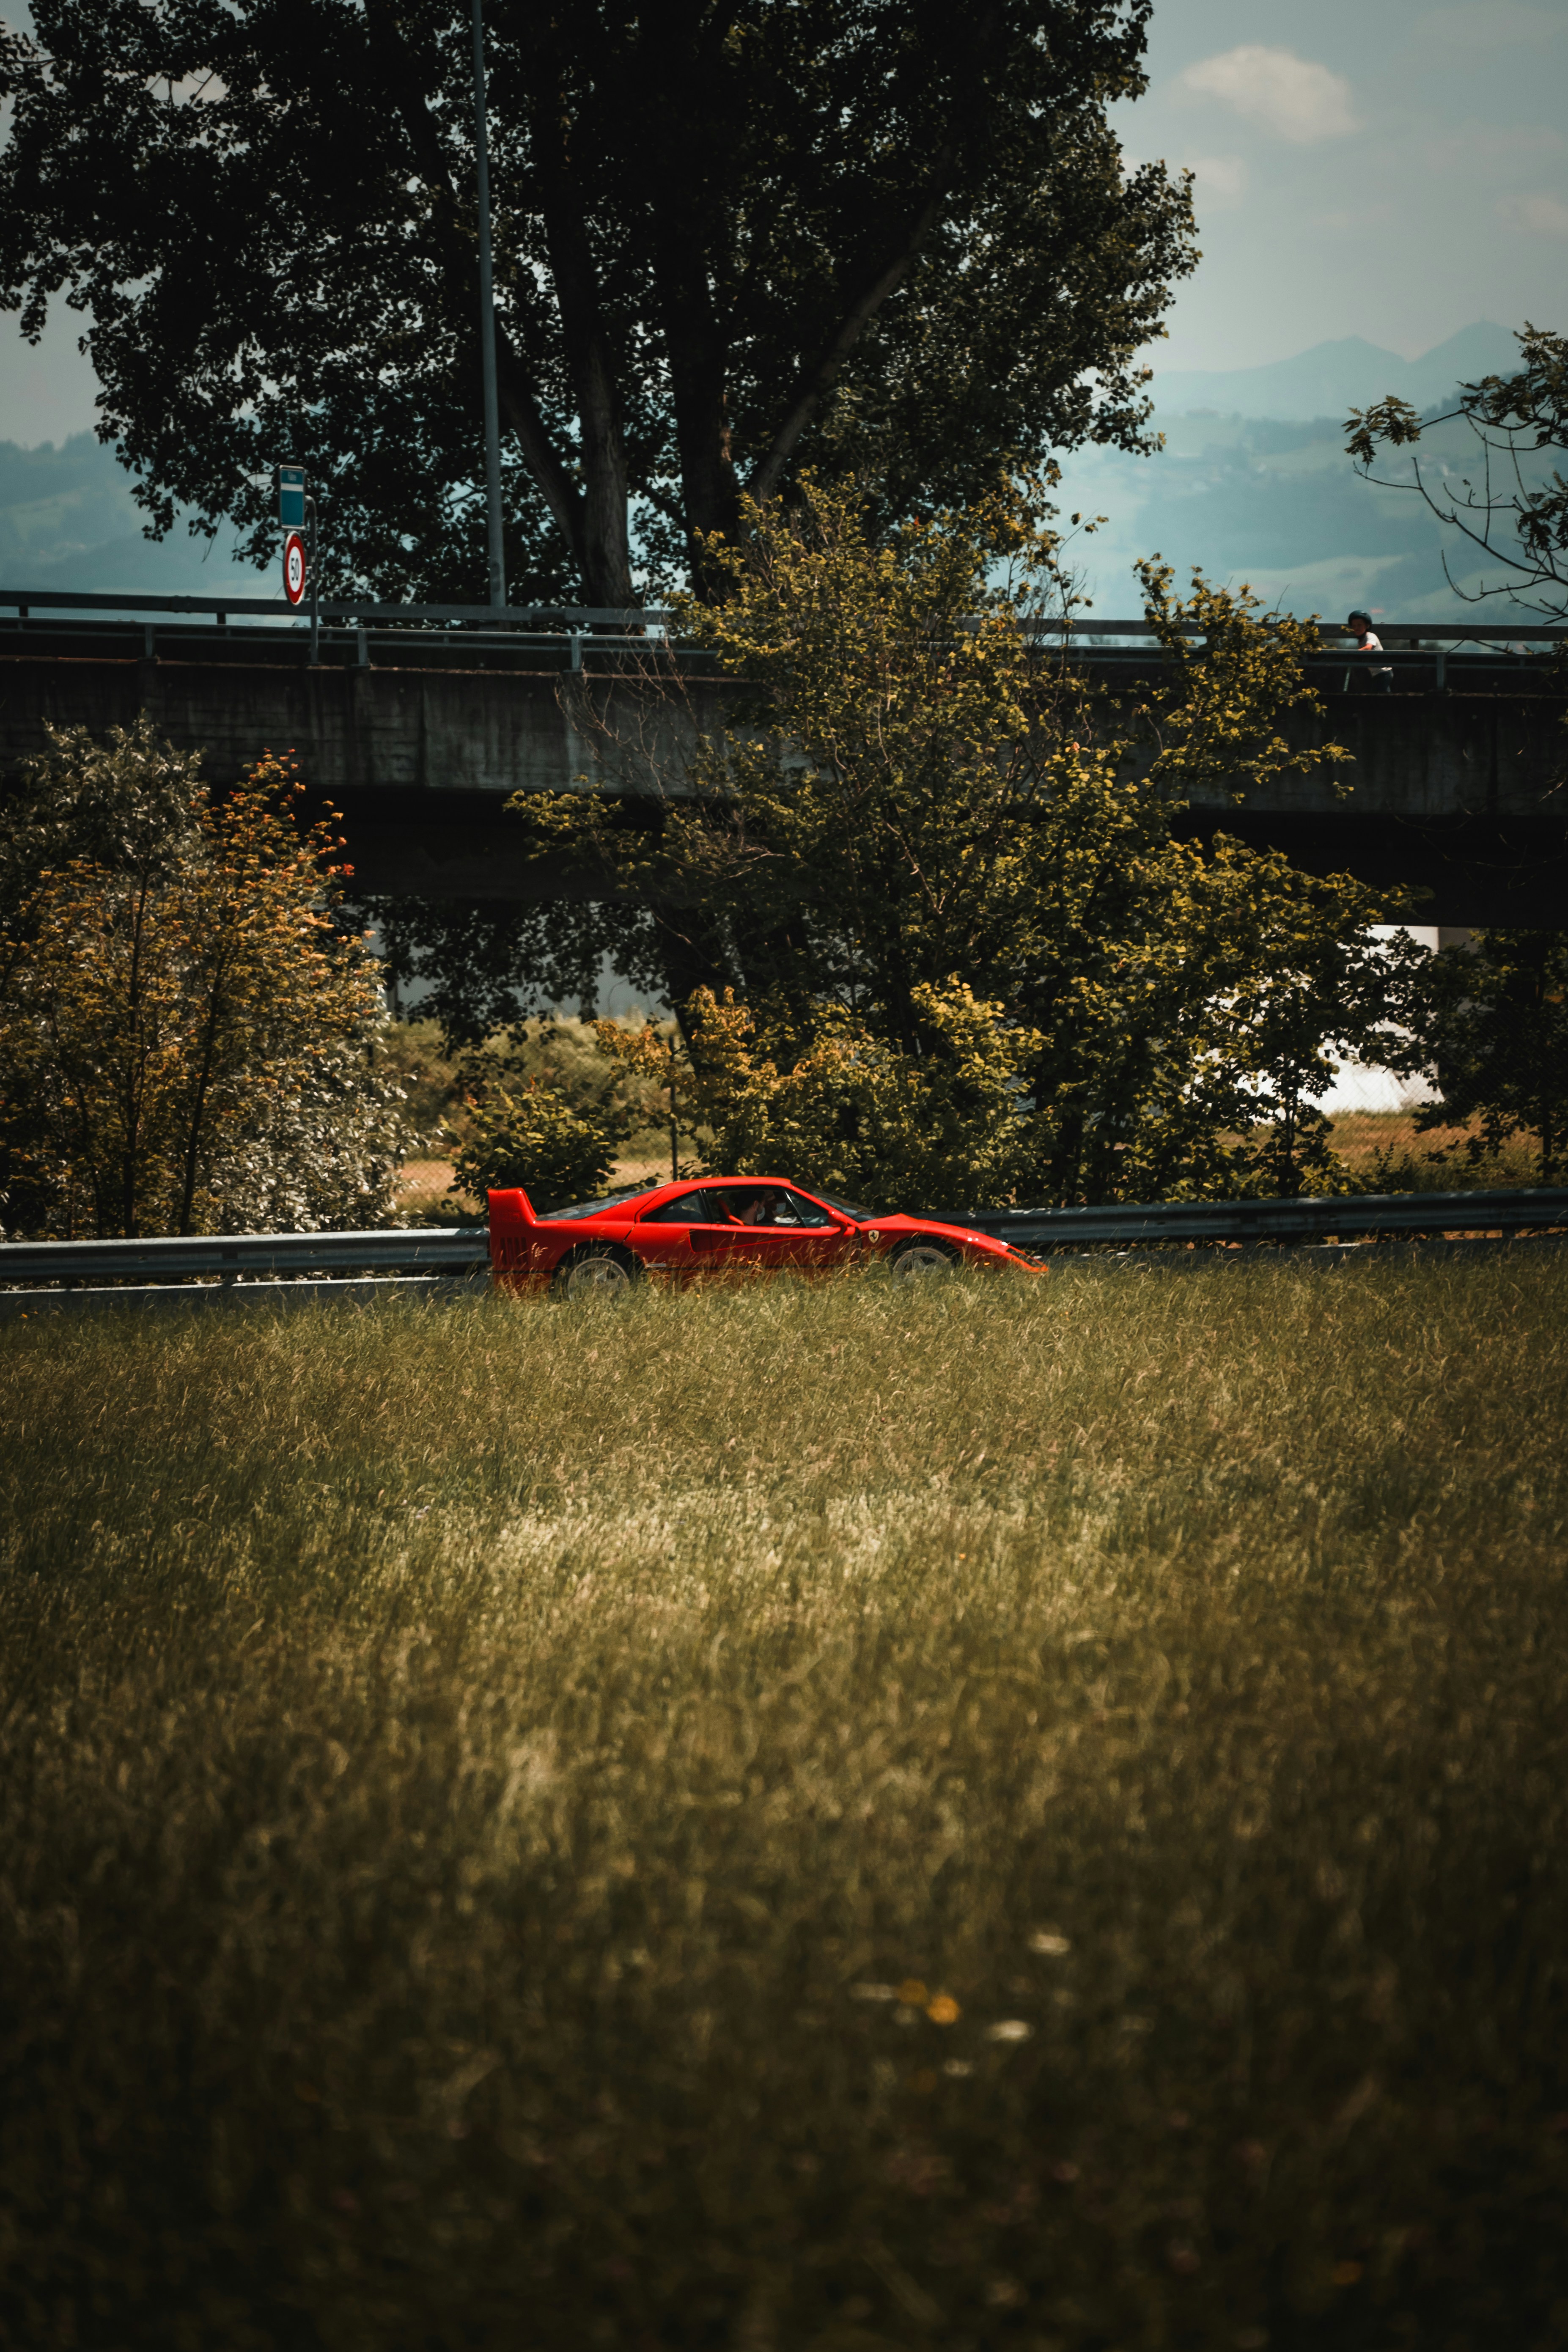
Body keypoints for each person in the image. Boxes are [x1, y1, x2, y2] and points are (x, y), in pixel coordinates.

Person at [1346, 610, 1394, 692]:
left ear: (1367, 626)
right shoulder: (1361, 641)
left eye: (1360, 625)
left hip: (1383, 672)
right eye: (1354, 626)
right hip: (1377, 674)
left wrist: (1355, 653)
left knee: (1379, 695)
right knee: (1384, 695)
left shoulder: (1370, 636)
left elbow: (1368, 648)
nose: (1356, 628)